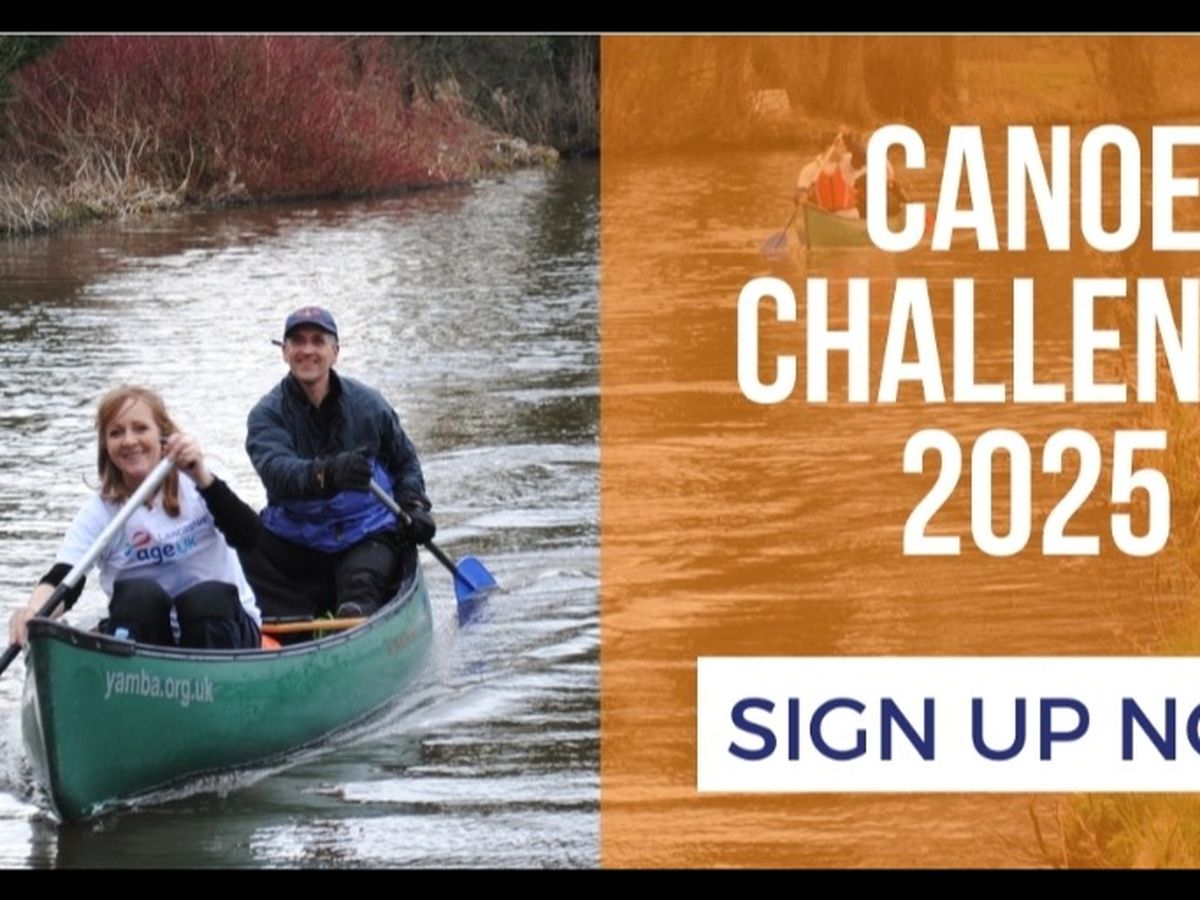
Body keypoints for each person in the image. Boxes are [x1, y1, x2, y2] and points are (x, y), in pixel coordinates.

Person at [7, 385, 262, 650]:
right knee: (138, 595)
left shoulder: (203, 481)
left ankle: (211, 668)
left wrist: (202, 479)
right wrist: (33, 612)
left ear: (163, 436)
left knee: (206, 598)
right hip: (149, 635)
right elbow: (64, 576)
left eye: (140, 428)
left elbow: (251, 538)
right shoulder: (99, 512)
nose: (129, 441)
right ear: (106, 445)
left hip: (223, 629)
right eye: (116, 433)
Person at [241, 306, 435, 622]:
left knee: (359, 589)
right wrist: (326, 474)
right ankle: (287, 621)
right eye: (298, 341)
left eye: (318, 341)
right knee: (241, 544)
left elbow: (405, 462)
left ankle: (353, 614)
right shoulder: (266, 414)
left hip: (365, 530)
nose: (307, 350)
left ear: (335, 352)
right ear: (285, 352)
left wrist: (414, 505)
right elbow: (277, 473)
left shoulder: (370, 405)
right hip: (295, 534)